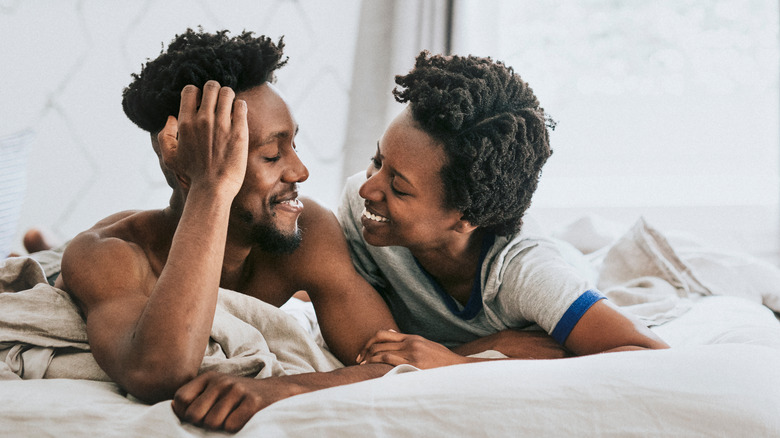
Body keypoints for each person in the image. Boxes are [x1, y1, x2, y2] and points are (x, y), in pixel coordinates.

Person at [56, 28, 399, 432]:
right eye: (272, 155)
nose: (300, 171)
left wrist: (284, 389)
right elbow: (159, 373)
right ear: (180, 159)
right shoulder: (107, 254)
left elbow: (394, 362)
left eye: (293, 146)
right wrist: (209, 185)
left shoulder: (309, 230)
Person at [338, 51, 669, 369]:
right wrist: (487, 346)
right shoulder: (360, 207)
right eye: (377, 161)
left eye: (398, 187)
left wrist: (459, 364)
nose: (368, 188)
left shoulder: (528, 275)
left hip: (565, 264)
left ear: (466, 217)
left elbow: (650, 355)